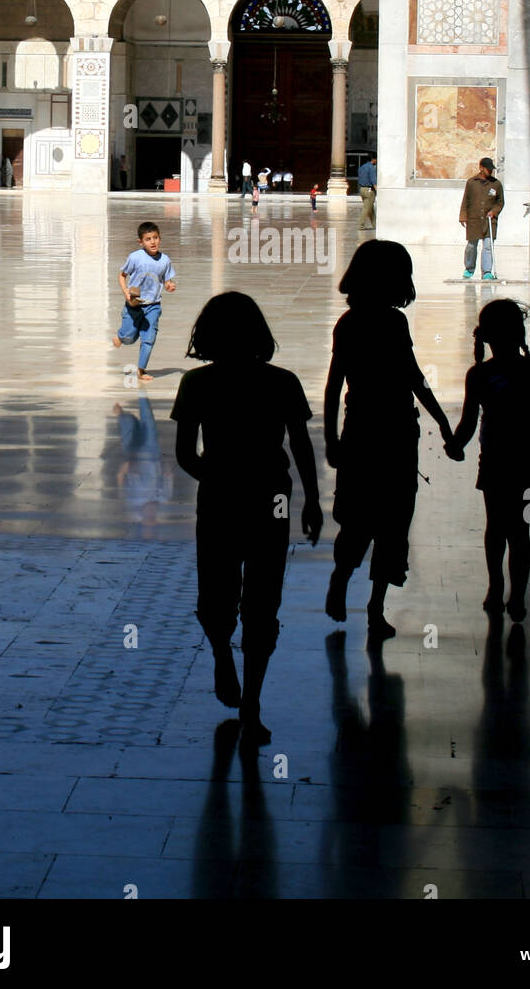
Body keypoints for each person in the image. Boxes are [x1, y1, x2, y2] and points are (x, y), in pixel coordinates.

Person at [172, 291, 322, 743]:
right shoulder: (282, 382)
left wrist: (217, 479)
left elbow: (184, 454)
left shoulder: (197, 385)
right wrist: (312, 501)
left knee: (216, 589)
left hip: (218, 500)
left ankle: (222, 655)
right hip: (270, 499)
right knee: (262, 597)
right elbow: (300, 447)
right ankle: (252, 702)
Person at [324, 241, 459, 640]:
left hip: (363, 431)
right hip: (397, 433)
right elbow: (413, 379)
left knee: (359, 520)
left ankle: (348, 584)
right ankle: (373, 606)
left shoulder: (350, 324)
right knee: (391, 523)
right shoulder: (389, 324)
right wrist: (442, 422)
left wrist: (333, 438)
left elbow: (335, 388)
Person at [450, 299, 530, 623]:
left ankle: (496, 587)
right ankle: (518, 597)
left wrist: (456, 444)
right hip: (528, 459)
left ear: (486, 338)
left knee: (495, 526)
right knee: (520, 529)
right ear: (520, 333)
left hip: (494, 459)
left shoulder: (480, 374)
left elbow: (469, 420)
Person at [112, 221, 177, 383]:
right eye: (148, 239)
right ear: (141, 242)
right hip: (134, 305)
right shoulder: (135, 257)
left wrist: (169, 285)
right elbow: (122, 276)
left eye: (155, 238)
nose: (153, 242)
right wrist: (126, 291)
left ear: (160, 238)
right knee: (129, 337)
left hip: (153, 306)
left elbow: (167, 280)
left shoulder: (165, 260)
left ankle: (140, 370)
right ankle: (121, 337)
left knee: (148, 339)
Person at [460, 157, 504, 280]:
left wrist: (494, 211)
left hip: (489, 221)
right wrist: (463, 216)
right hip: (474, 219)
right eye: (488, 169)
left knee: (488, 246)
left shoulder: (496, 184)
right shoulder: (471, 182)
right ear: (481, 168)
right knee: (471, 246)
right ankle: (469, 268)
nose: (490, 171)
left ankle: (487, 272)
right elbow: (465, 200)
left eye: (492, 169)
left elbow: (500, 202)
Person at [357, 152, 377, 230]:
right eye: (376, 159)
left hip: (362, 189)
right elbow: (373, 181)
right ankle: (360, 225)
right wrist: (378, 190)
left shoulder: (362, 167)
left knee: (370, 208)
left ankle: (375, 224)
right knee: (366, 208)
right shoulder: (371, 167)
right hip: (369, 190)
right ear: (373, 159)